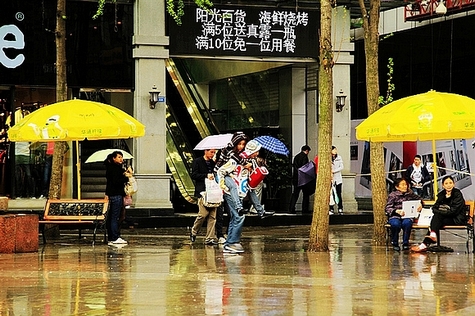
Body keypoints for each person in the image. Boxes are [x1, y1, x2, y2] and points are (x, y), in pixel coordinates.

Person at [218, 140, 262, 254]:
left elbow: (247, 180)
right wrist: (224, 185)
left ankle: (230, 243)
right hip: (232, 193)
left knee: (235, 217)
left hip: (239, 193)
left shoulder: (249, 161)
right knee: (239, 216)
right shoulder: (237, 160)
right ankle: (232, 242)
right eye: (256, 151)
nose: (257, 154)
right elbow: (221, 171)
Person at [411, 175, 467, 253]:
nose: (449, 185)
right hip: (444, 218)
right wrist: (441, 211)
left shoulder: (457, 194)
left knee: (436, 219)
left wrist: (440, 211)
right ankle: (431, 237)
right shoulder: (441, 195)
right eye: (446, 183)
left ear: (454, 184)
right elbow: (434, 208)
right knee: (436, 220)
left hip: (456, 218)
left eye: (450, 183)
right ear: (443, 185)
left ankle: (426, 242)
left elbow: (454, 211)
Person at [190, 148, 219, 245]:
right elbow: (194, 175)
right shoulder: (197, 161)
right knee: (202, 214)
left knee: (212, 216)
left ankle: (210, 237)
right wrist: (205, 175)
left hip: (213, 192)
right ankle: (194, 231)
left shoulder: (213, 163)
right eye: (211, 152)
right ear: (205, 151)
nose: (212, 154)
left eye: (214, 152)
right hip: (202, 191)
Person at [385, 178, 423, 251]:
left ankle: (405, 242)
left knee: (407, 223)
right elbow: (387, 208)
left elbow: (419, 199)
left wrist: (420, 204)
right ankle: (395, 242)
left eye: (406, 184)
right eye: (402, 185)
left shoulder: (410, 194)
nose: (405, 186)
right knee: (395, 224)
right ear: (397, 187)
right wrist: (396, 211)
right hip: (395, 216)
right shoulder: (393, 195)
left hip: (407, 215)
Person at [104, 151, 132, 246]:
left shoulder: (110, 168)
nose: (121, 159)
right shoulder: (115, 169)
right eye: (119, 157)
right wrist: (126, 178)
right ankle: (114, 237)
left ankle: (112, 237)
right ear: (114, 158)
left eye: (122, 157)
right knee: (115, 217)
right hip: (116, 195)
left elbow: (111, 182)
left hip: (112, 194)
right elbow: (116, 182)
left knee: (113, 217)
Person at [289, 145, 311, 213]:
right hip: (303, 179)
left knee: (295, 194)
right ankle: (305, 209)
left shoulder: (296, 156)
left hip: (296, 178)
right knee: (306, 194)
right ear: (307, 151)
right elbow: (305, 168)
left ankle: (291, 208)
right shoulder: (304, 157)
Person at [331, 146, 344, 214]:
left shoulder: (339, 157)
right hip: (331, 178)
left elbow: (341, 167)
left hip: (338, 178)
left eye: (336, 149)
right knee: (331, 194)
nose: (335, 151)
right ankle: (331, 208)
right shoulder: (328, 158)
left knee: (339, 193)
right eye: (334, 150)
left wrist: (334, 171)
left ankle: (340, 207)